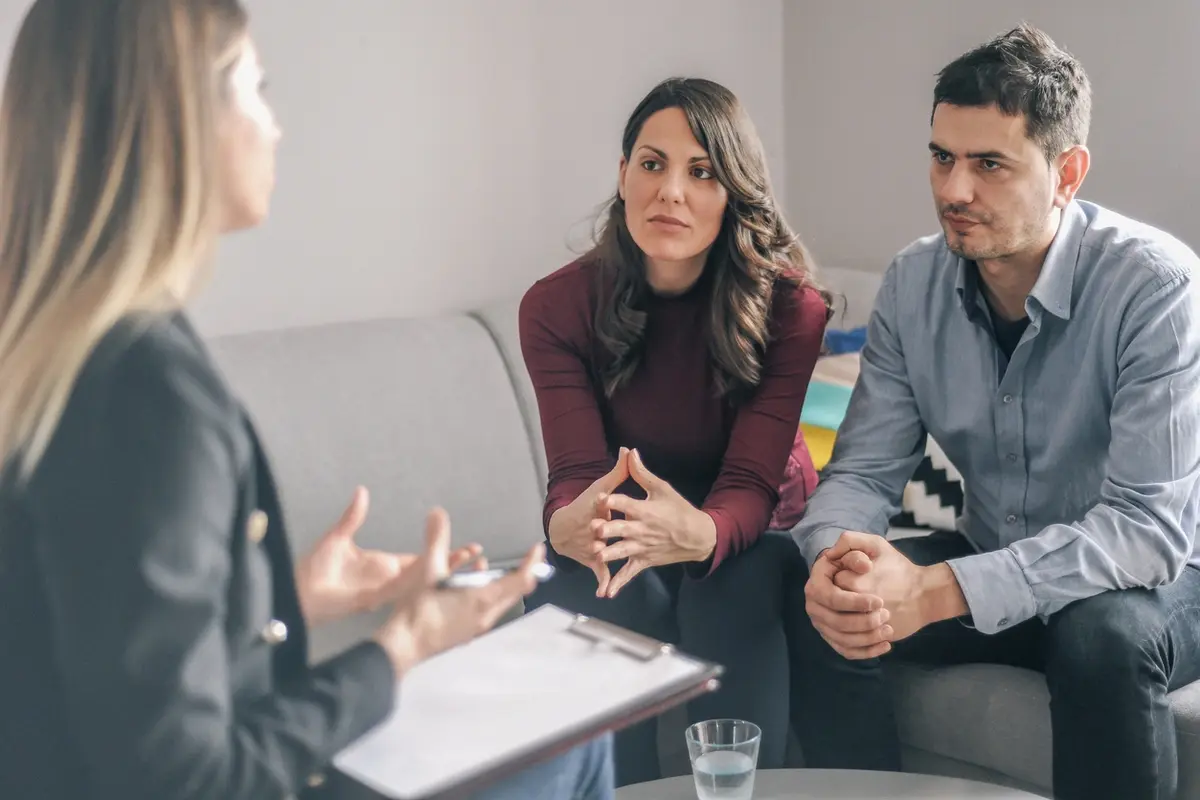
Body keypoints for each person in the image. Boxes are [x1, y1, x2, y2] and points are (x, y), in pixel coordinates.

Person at [0, 2, 614, 798]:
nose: (277, 128)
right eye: (257, 90)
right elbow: (182, 777)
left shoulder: (57, 357)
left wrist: (286, 601)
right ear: (183, 120)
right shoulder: (145, 395)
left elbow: (98, 662)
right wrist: (401, 646)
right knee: (572, 732)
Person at [788, 22, 1200, 800]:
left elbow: (1147, 532)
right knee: (805, 585)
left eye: (989, 165)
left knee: (1100, 635)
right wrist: (838, 561)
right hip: (998, 553)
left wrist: (935, 591)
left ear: (1066, 172)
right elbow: (863, 471)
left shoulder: (1157, 287)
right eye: (942, 157)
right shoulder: (913, 286)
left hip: (1166, 576)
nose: (953, 190)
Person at [518, 76, 831, 785]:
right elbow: (575, 473)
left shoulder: (792, 310)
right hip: (634, 514)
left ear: (734, 193)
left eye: (703, 173)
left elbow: (751, 483)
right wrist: (570, 524)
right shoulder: (555, 308)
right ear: (622, 176)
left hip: (757, 526)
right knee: (588, 584)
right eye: (652, 164)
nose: (671, 193)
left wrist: (703, 535)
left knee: (731, 590)